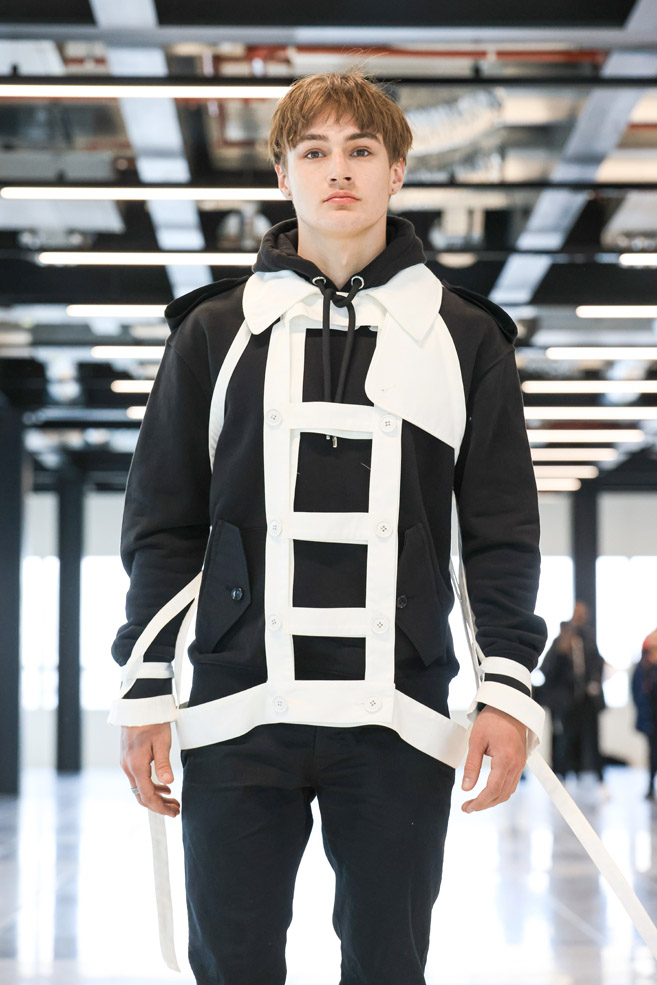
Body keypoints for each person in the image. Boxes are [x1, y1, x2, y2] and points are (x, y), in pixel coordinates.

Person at [109, 68, 548, 985]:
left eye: (360, 150)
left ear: (396, 171)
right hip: (236, 709)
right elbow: (163, 520)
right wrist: (146, 689)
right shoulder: (212, 332)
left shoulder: (465, 337)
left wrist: (506, 689)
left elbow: (500, 529)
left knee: (388, 965)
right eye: (313, 152)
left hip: (399, 713)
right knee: (231, 966)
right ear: (283, 174)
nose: (337, 170)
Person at [539, 602, 606, 784]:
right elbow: (548, 669)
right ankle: (560, 774)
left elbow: (596, 663)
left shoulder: (589, 639)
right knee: (563, 738)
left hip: (586, 698)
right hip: (564, 700)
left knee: (589, 737)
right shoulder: (561, 639)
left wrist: (595, 683)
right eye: (578, 613)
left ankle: (595, 775)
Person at [631, 629, 657, 800]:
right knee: (653, 753)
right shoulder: (643, 670)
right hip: (651, 719)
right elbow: (637, 693)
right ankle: (650, 785)